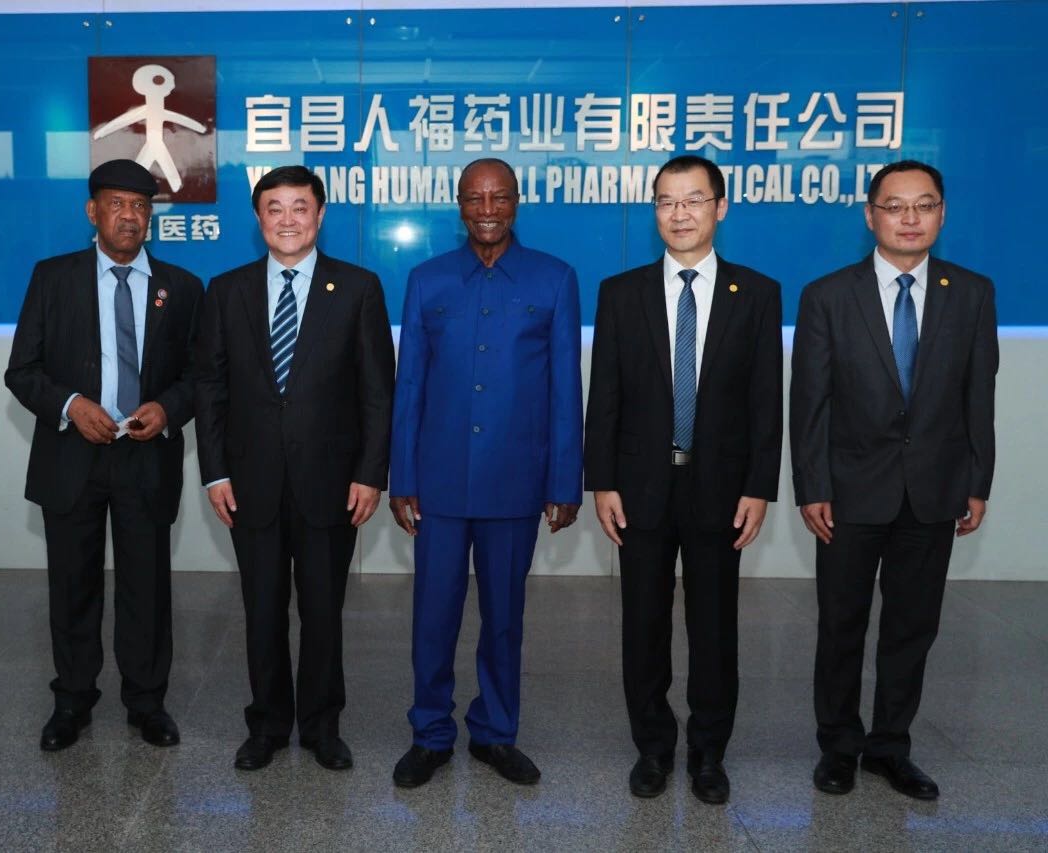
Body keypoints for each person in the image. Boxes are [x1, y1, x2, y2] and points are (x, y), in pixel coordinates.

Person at [791, 160, 997, 801]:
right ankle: (838, 746)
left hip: (934, 488)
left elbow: (978, 395)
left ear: (942, 213)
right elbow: (810, 402)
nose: (910, 218)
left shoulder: (972, 293)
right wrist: (812, 485)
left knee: (912, 628)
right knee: (841, 624)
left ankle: (889, 748)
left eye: (924, 205)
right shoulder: (828, 295)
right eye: (895, 205)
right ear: (870, 214)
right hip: (849, 490)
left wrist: (977, 479)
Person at [583, 154, 782, 804]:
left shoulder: (757, 293)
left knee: (714, 627)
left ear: (720, 207)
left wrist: (759, 486)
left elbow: (765, 401)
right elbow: (605, 396)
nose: (680, 213)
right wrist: (602, 481)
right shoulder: (622, 292)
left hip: (721, 489)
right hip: (640, 486)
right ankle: (653, 747)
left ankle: (708, 752)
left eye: (694, 199)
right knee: (642, 626)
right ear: (655, 211)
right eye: (667, 201)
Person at [193, 166, 395, 772]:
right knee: (261, 610)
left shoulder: (357, 288)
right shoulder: (226, 290)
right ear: (258, 219)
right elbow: (210, 389)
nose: (288, 220)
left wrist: (370, 473)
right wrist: (214, 472)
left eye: (300, 207)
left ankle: (322, 726)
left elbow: (377, 393)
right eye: (274, 208)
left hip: (331, 484)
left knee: (323, 611)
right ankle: (268, 725)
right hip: (249, 482)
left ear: (320, 215)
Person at [388, 158, 582, 788]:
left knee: (503, 618)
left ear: (517, 202)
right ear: (460, 205)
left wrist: (563, 482)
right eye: (475, 198)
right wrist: (401, 476)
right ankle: (430, 734)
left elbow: (564, 389)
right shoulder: (428, 280)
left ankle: (496, 732)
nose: (487, 209)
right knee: (433, 616)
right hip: (439, 483)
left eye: (499, 197)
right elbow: (409, 385)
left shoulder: (554, 278)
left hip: (515, 481)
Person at [6, 159, 202, 751]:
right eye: (117, 204)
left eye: (140, 206)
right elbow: (22, 370)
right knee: (73, 585)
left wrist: (167, 408)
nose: (129, 216)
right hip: (73, 453)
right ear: (93, 212)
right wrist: (71, 405)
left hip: (146, 456)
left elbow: (201, 375)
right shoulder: (53, 277)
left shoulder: (182, 287)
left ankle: (147, 702)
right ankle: (72, 700)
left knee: (147, 587)